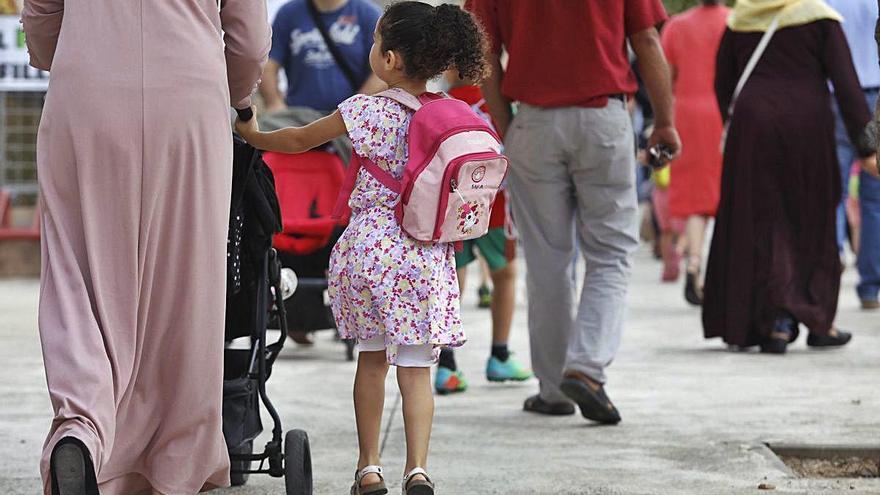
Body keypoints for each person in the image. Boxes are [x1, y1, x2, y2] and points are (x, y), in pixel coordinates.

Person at [235, 3, 487, 493]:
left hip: (369, 252)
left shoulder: (364, 111)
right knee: (416, 369)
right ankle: (417, 469)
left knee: (371, 360)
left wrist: (252, 132)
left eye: (374, 42)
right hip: (424, 255)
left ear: (390, 60)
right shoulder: (446, 115)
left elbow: (298, 139)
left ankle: (368, 468)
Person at [21, 0, 269, 492]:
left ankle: (81, 428)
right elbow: (249, 39)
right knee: (186, 278)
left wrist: (70, 54)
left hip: (86, 94)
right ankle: (177, 455)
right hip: (189, 101)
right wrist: (240, 99)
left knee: (81, 273)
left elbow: (41, 13)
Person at [465, 0, 680, 425]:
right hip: (602, 118)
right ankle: (586, 367)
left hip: (533, 121)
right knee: (611, 251)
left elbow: (482, 53)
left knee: (547, 260)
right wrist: (665, 121)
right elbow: (647, 38)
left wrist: (508, 125)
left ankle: (552, 390)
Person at [703, 0, 880, 355]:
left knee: (758, 220)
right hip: (807, 126)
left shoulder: (741, 17)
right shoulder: (818, 17)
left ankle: (769, 323)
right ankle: (815, 318)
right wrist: (868, 147)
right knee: (808, 217)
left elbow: (723, 83)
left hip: (752, 129)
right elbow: (847, 86)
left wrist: (737, 124)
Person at [434, 72, 532, 395]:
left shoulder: (441, 105)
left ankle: (446, 365)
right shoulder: (500, 104)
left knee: (453, 277)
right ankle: (500, 354)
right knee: (504, 275)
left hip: (451, 206)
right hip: (495, 204)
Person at [660, 0, 731, 305]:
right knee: (728, 193)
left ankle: (694, 264)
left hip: (686, 116)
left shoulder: (676, 26)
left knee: (695, 200)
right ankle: (727, 274)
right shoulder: (735, 21)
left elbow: (666, 76)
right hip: (725, 113)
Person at [826, 0, 880, 310]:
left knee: (834, 189)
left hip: (835, 97)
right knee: (874, 200)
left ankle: (832, 262)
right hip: (874, 95)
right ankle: (871, 286)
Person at [260, 0, 385, 114]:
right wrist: (275, 103)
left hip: (349, 121)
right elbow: (268, 64)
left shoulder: (369, 14)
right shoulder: (288, 13)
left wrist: (353, 109)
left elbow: (383, 72)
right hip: (299, 116)